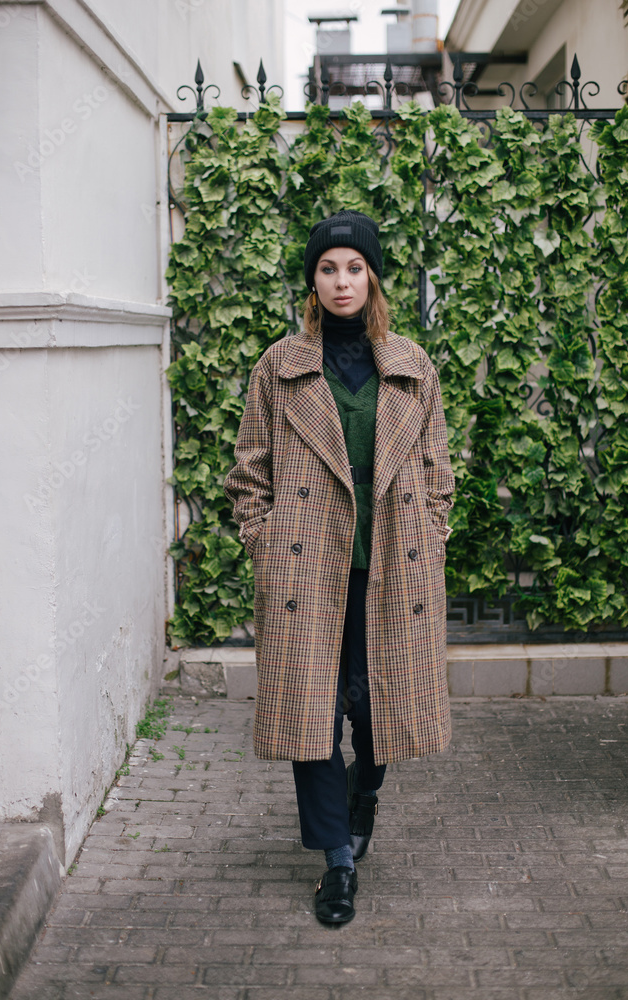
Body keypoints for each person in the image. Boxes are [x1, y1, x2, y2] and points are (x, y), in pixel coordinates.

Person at [223, 210, 455, 925]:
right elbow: (248, 470)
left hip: (393, 565)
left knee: (372, 702)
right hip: (304, 572)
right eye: (328, 269)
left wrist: (433, 531)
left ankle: (367, 793)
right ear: (312, 282)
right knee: (312, 714)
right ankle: (336, 861)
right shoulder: (280, 366)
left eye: (353, 267)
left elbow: (437, 467)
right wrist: (263, 541)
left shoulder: (412, 365)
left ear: (372, 277)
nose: (341, 281)